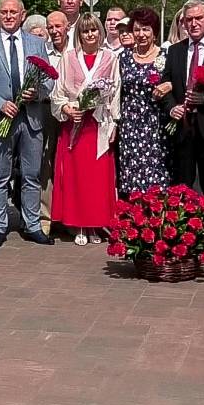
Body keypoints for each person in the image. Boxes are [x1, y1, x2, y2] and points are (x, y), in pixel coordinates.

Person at [0, 0, 55, 248]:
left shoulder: (36, 43)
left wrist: (37, 93)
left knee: (31, 175)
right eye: (3, 12)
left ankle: (33, 224)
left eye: (13, 12)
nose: (8, 16)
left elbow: (49, 79)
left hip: (31, 118)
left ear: (22, 15)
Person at [51, 14, 121, 244]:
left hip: (98, 125)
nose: (90, 35)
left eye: (93, 30)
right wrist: (68, 109)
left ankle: (95, 225)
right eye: (85, 31)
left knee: (97, 179)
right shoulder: (68, 57)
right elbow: (58, 92)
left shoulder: (110, 58)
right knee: (77, 177)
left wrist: (114, 123)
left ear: (100, 32)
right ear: (79, 35)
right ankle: (79, 225)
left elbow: (115, 93)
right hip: (75, 124)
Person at [160, 0, 204, 195]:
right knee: (182, 185)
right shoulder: (175, 50)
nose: (194, 23)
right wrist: (171, 107)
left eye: (199, 18)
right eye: (189, 19)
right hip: (183, 127)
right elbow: (166, 85)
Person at [118, 7, 170, 194]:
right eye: (137, 29)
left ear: (154, 32)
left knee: (156, 175)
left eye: (146, 29)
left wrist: (169, 85)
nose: (141, 34)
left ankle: (155, 212)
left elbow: (178, 82)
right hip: (130, 126)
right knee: (131, 175)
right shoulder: (124, 57)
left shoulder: (166, 56)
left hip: (156, 125)